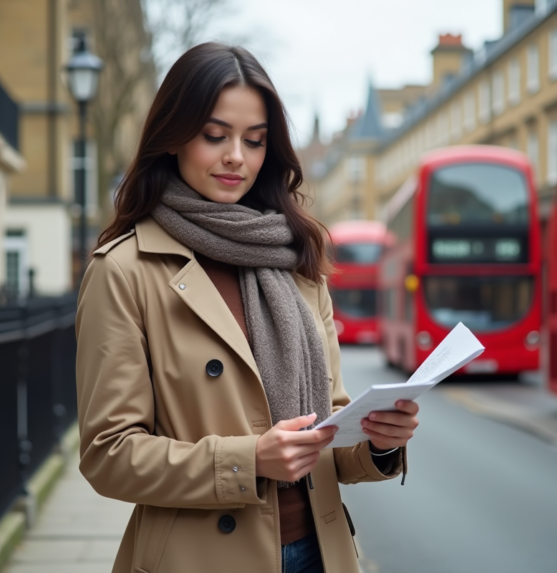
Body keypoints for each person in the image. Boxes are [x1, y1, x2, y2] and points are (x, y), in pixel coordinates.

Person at [75, 42, 419, 573]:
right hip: (199, 558)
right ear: (173, 138)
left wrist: (376, 442)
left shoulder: (297, 262)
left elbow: (328, 433)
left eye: (254, 141)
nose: (237, 155)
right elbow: (109, 454)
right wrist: (248, 460)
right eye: (215, 136)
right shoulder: (125, 270)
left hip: (320, 552)